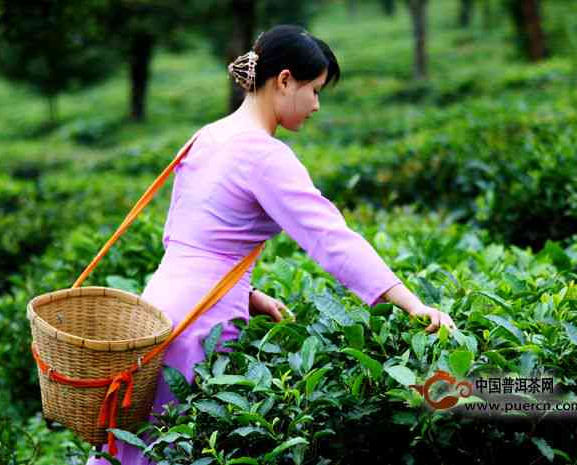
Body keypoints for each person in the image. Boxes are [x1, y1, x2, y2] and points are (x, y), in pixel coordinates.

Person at [87, 24, 457, 465]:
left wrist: (249, 292)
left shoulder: (209, 134)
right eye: (315, 90)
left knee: (133, 444)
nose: (317, 105)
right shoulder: (265, 155)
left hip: (157, 306)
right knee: (175, 446)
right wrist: (413, 305)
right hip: (202, 322)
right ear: (284, 80)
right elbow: (330, 238)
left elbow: (189, 236)